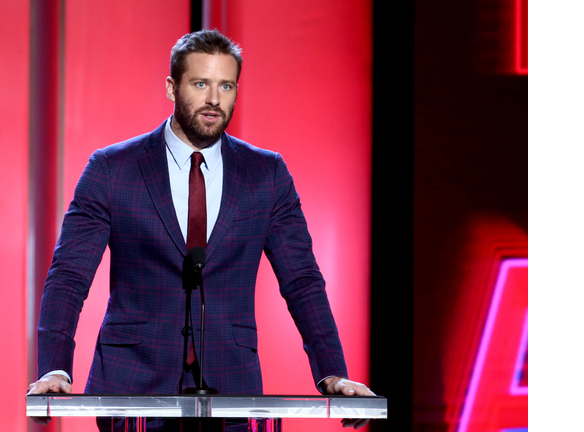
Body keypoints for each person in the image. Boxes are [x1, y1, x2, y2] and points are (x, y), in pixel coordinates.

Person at [27, 29, 374, 430]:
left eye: (226, 85)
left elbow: (302, 280)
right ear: (172, 88)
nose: (214, 99)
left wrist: (332, 371)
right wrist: (54, 368)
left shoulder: (266, 173)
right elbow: (69, 275)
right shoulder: (111, 168)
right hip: (132, 383)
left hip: (232, 385)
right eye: (201, 84)